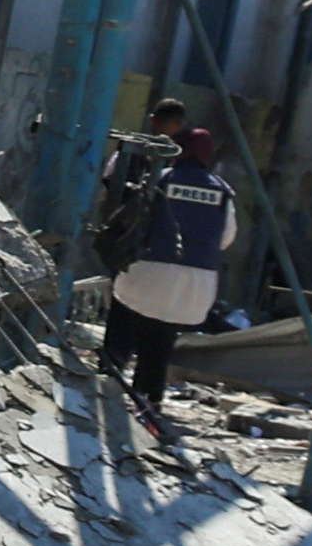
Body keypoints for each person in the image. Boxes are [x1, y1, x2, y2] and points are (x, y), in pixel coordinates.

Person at [99, 122, 232, 430]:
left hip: (148, 272)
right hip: (195, 288)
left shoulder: (160, 179)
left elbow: (131, 223)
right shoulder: (224, 192)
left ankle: (107, 385)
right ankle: (149, 407)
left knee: (125, 313)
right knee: (160, 339)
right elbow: (226, 239)